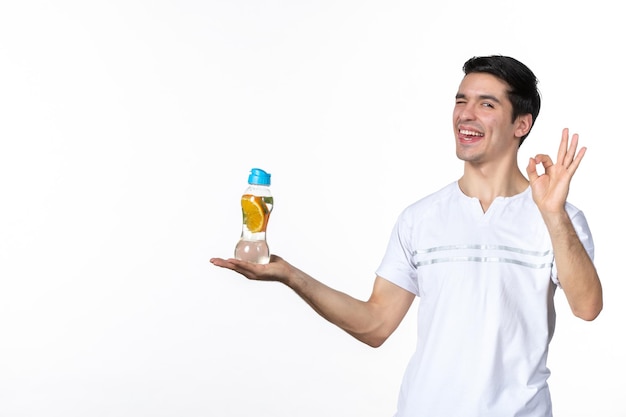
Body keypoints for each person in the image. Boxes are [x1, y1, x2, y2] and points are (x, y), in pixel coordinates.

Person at [210, 55, 603, 417]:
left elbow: (587, 307)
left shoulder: (561, 217)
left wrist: (552, 215)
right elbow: (375, 324)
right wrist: (289, 275)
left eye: (487, 104)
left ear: (522, 124)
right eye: (460, 100)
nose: (466, 115)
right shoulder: (421, 218)